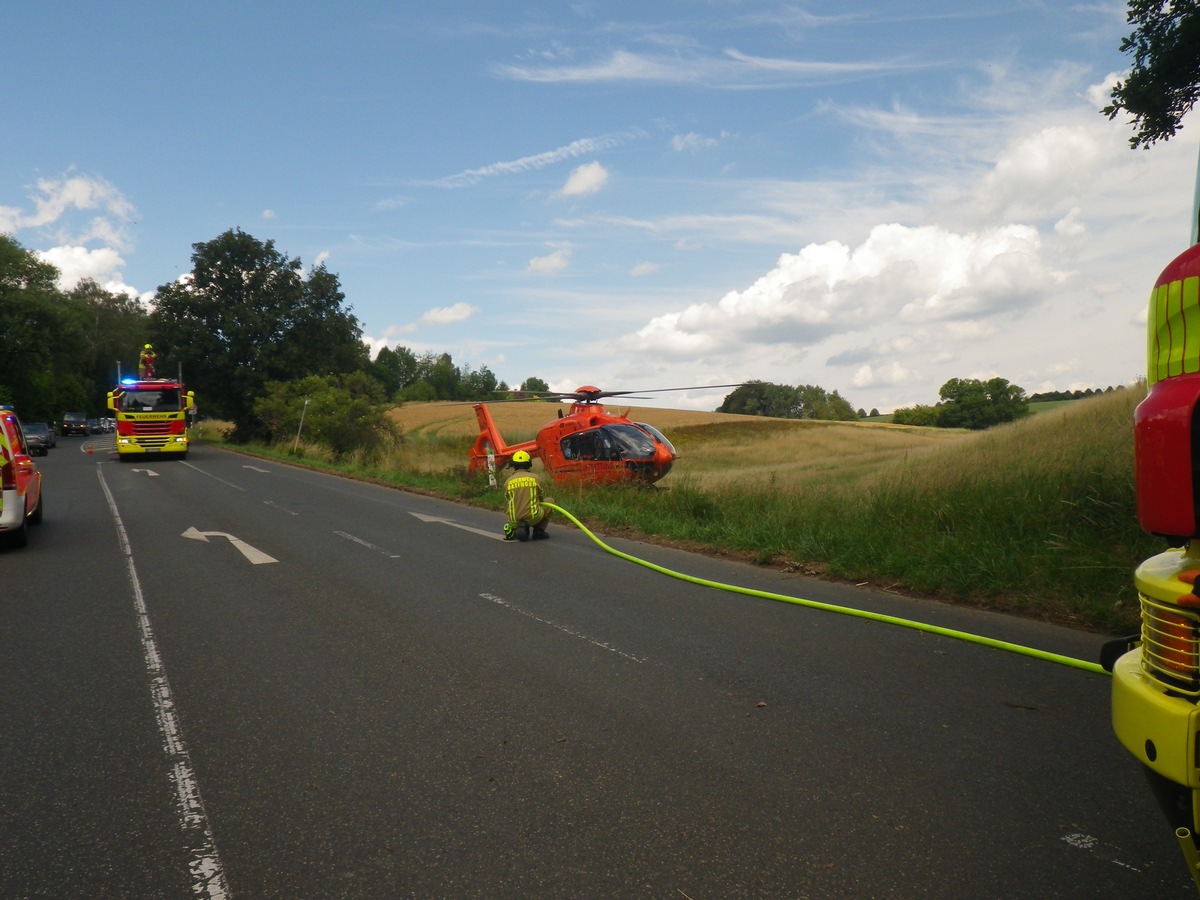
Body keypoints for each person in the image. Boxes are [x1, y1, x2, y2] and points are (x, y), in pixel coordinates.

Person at [503, 450, 551, 541]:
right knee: (550, 501)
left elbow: (509, 501)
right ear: (529, 464)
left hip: (514, 521)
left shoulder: (507, 482)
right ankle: (539, 531)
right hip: (534, 518)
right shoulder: (535, 478)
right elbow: (540, 499)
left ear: (513, 465)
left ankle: (515, 529)